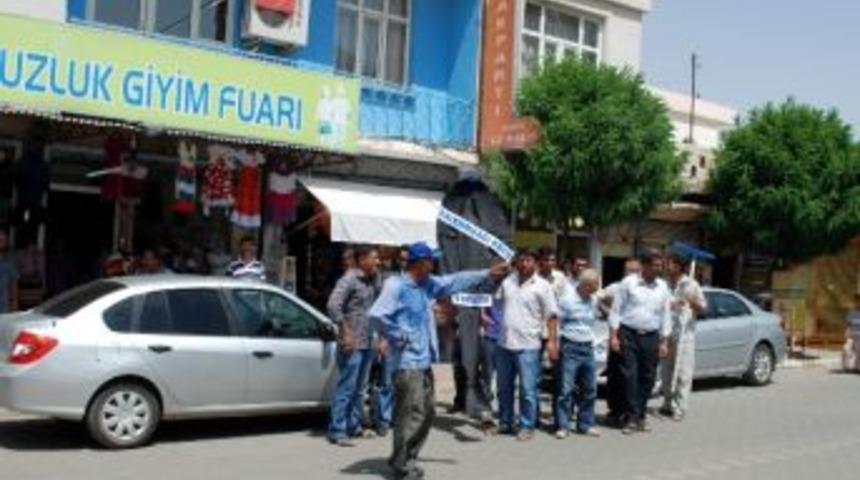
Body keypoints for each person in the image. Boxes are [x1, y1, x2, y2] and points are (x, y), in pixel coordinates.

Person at [369, 242, 508, 480]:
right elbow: (377, 315)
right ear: (420, 262)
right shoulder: (397, 285)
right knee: (411, 415)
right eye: (431, 260)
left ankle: (404, 458)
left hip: (423, 362)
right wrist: (398, 336)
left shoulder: (427, 284)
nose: (434, 264)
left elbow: (455, 280)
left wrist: (488, 273)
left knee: (426, 412)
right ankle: (402, 466)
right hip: (406, 363)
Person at [495, 248, 558, 441]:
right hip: (504, 344)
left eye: (528, 260)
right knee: (503, 387)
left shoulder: (543, 286)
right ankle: (505, 422)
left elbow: (552, 316)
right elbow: (497, 304)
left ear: (535, 263)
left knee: (528, 390)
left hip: (529, 345)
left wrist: (553, 342)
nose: (524, 264)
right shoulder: (508, 281)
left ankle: (526, 425)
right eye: (521, 260)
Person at [608, 248, 672, 434]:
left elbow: (666, 315)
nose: (659, 268)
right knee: (630, 376)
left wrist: (664, 341)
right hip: (628, 334)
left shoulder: (662, 287)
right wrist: (613, 336)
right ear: (644, 265)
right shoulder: (629, 283)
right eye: (655, 265)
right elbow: (616, 310)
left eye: (661, 265)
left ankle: (640, 415)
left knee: (648, 377)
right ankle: (632, 417)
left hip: (651, 336)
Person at [326, 246, 382, 446]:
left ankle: (354, 426)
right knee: (347, 387)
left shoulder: (372, 280)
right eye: (374, 258)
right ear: (362, 259)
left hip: (367, 341)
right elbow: (333, 305)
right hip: (352, 342)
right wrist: (345, 330)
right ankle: (337, 431)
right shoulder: (349, 279)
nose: (378, 262)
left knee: (359, 388)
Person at [554, 269, 602, 438]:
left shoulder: (593, 301)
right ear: (586, 284)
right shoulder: (567, 300)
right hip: (570, 346)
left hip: (588, 347)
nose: (597, 288)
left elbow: (593, 321)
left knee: (590, 389)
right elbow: (557, 322)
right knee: (566, 390)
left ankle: (585, 424)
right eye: (595, 285)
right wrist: (556, 344)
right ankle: (563, 426)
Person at [659, 254, 707, 421]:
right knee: (666, 371)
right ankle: (667, 403)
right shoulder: (664, 284)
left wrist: (692, 303)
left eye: (670, 263)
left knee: (683, 373)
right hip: (666, 333)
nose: (667, 266)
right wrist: (671, 305)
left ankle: (680, 408)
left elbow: (703, 308)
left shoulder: (692, 285)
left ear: (679, 266)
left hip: (684, 334)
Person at [596, 257, 642, 427]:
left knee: (630, 376)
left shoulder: (642, 290)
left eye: (635, 271)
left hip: (635, 336)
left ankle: (630, 412)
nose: (632, 274)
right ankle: (614, 411)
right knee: (615, 375)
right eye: (629, 271)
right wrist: (607, 312)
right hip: (617, 334)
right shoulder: (615, 288)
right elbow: (598, 297)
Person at [0, 230, 19, 314]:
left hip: (4, 304)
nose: (0, 242)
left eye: (2, 240)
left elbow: (14, 283)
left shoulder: (9, 261)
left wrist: (14, 304)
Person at [843, 293, 860, 372]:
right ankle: (846, 367)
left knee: (858, 352)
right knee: (846, 349)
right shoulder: (851, 313)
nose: (857, 303)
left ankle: (857, 367)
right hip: (852, 336)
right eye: (856, 301)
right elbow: (848, 324)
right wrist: (846, 332)